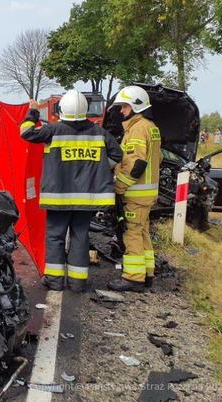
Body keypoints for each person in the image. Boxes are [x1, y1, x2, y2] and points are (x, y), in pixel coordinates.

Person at [21, 90, 123, 292]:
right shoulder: (98, 133)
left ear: (61, 110)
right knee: (80, 237)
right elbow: (117, 154)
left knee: (55, 237)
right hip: (86, 199)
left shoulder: (53, 130)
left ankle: (55, 281)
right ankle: (77, 282)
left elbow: (26, 132)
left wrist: (32, 112)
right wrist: (99, 169)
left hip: (58, 198)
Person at [108, 86, 162, 292]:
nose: (121, 111)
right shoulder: (151, 127)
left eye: (124, 107)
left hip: (136, 193)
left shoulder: (138, 128)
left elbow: (136, 164)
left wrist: (119, 186)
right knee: (143, 233)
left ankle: (133, 277)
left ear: (135, 106)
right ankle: (147, 274)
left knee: (131, 234)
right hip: (147, 194)